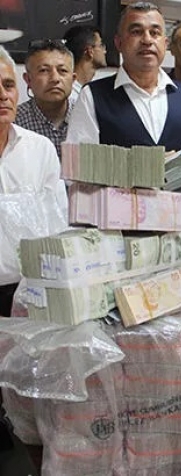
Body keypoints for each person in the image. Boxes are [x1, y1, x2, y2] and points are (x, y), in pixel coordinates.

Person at [0, 44, 68, 451]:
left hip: (24, 293)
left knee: (20, 387)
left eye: (8, 85)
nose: (2, 94)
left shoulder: (39, 149)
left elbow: (56, 226)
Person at [65, 1, 181, 157]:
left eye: (155, 33)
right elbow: (76, 164)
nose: (147, 40)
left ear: (165, 44)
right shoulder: (92, 96)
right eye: (136, 32)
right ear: (119, 43)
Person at [14, 39, 75, 158]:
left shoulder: (87, 116)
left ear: (73, 79)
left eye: (62, 71)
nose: (55, 78)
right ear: (28, 79)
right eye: (44, 70)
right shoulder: (14, 122)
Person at [62, 25, 107, 104]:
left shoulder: (95, 88)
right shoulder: (69, 97)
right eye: (101, 45)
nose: (105, 51)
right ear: (90, 52)